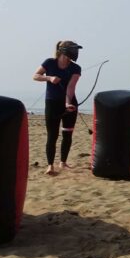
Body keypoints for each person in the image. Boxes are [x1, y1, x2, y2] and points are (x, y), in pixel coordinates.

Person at [32, 41, 82, 176]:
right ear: (64, 50)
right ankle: (50, 165)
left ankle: (63, 162)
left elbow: (71, 87)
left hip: (69, 102)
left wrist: (67, 103)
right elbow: (35, 76)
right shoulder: (50, 62)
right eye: (73, 50)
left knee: (67, 133)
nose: (76, 53)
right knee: (52, 135)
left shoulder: (76, 68)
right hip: (52, 103)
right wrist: (49, 78)